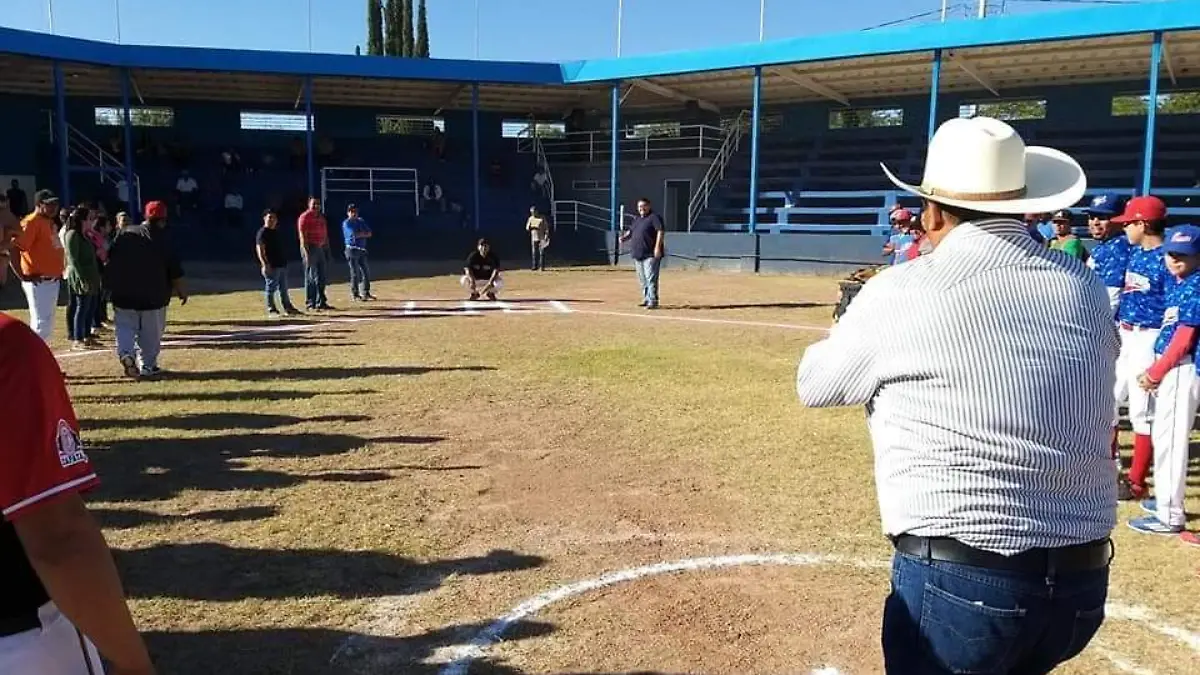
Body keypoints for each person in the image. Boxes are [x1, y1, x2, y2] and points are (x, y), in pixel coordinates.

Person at [797, 116, 1115, 674]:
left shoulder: (900, 290)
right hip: (1080, 578)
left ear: (934, 212)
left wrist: (849, 320)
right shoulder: (1081, 284)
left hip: (963, 574)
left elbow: (816, 385)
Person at [0, 228, 156, 675]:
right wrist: (135, 664)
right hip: (20, 637)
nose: (11, 225)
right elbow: (58, 537)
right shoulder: (8, 347)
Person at [1130, 224, 1200, 536]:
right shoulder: (1181, 282)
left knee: (1170, 441)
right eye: (1171, 252)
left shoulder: (1196, 286)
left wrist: (1156, 373)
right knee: (1164, 436)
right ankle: (1166, 501)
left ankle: (1170, 515)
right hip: (1173, 366)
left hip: (1182, 368)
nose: (1174, 259)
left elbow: (1184, 339)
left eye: (1183, 255)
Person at [1111, 195, 1170, 501]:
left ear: (1143, 224)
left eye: (1129, 223)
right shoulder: (1133, 253)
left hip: (1151, 335)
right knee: (1106, 399)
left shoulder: (1167, 258)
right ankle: (1109, 468)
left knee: (1141, 410)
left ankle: (1136, 481)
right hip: (1126, 332)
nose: (1125, 229)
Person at [104, 200, 187, 380]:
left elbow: (109, 258)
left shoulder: (125, 233)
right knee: (151, 334)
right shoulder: (164, 239)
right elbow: (175, 269)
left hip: (123, 294)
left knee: (125, 327)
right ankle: (148, 365)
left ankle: (126, 353)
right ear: (163, 219)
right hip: (154, 296)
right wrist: (181, 291)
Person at [12, 190, 65, 342]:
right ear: (39, 205)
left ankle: (34, 360)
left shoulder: (48, 222)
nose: (54, 207)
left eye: (55, 203)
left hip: (51, 280)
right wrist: (22, 276)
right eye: (49, 204)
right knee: (41, 326)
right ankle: (30, 360)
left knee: (45, 325)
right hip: (39, 281)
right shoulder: (31, 222)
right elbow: (14, 248)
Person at [62, 207, 102, 351]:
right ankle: (77, 338)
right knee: (82, 306)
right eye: (88, 219)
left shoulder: (85, 235)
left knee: (90, 306)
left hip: (91, 275)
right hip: (80, 275)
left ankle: (87, 335)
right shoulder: (72, 235)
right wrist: (81, 278)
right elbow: (73, 259)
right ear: (81, 220)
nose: (91, 222)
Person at [1084, 192, 1130, 315]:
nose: (1095, 222)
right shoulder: (1106, 244)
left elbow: (1112, 295)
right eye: (1091, 217)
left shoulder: (1118, 247)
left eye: (1102, 217)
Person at [620, 198, 665, 309]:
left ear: (649, 206)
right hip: (638, 254)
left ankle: (653, 300)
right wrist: (624, 238)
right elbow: (631, 231)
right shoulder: (637, 219)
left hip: (650, 254)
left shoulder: (654, 218)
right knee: (642, 279)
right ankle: (646, 298)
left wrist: (657, 248)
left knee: (650, 278)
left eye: (644, 206)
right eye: (640, 206)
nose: (642, 208)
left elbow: (660, 231)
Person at [255, 209, 300, 317]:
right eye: (269, 217)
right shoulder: (262, 233)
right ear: (264, 218)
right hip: (272, 265)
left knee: (283, 289)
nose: (272, 220)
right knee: (271, 288)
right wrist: (265, 264)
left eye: (274, 218)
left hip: (281, 264)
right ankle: (271, 309)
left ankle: (288, 307)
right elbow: (260, 250)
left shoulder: (276, 232)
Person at [297, 197, 333, 311]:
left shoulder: (321, 218)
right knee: (311, 276)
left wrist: (328, 251)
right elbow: (302, 236)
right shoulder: (305, 217)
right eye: (314, 204)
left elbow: (325, 235)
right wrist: (306, 253)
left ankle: (321, 301)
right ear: (309, 204)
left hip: (320, 247)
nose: (316, 206)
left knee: (321, 276)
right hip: (310, 247)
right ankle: (310, 302)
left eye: (318, 204)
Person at [342, 203, 374, 302]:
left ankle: (366, 292)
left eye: (355, 211)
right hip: (351, 249)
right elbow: (354, 235)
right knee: (355, 273)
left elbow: (369, 233)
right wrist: (362, 234)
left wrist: (362, 234)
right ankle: (355, 294)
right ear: (348, 213)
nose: (354, 213)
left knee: (366, 272)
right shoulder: (346, 223)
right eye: (352, 211)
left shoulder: (361, 221)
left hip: (361, 250)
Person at [526, 205, 550, 271]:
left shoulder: (542, 218)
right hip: (534, 238)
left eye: (533, 212)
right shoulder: (530, 218)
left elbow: (546, 228)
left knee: (542, 253)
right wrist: (532, 227)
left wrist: (546, 236)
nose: (533, 213)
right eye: (531, 212)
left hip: (541, 238)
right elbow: (527, 228)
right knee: (534, 253)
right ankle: (534, 266)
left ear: (537, 211)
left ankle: (542, 267)